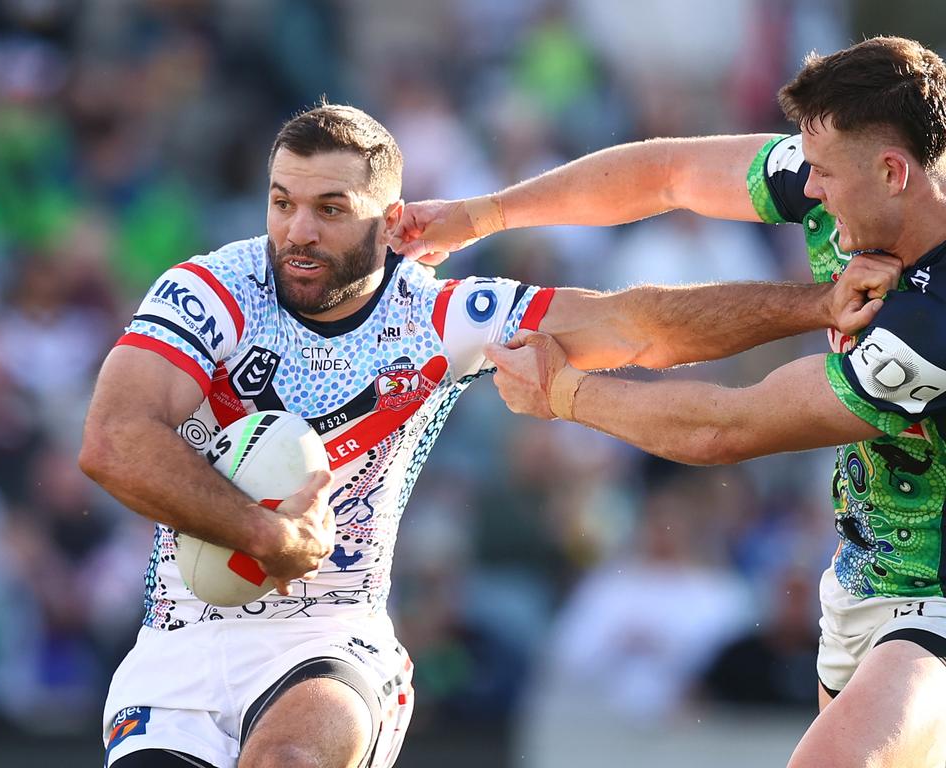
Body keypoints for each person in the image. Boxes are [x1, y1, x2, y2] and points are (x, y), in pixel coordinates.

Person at [79, 103, 892, 768]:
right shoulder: (212, 291)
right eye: (282, 201)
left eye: (330, 209)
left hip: (327, 640)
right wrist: (267, 535)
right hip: (179, 640)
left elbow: (634, 326)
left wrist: (814, 305)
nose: (297, 231)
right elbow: (113, 441)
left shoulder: (437, 317)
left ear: (390, 219)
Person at [392, 36, 946, 768]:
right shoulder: (851, 187)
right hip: (862, 582)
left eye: (824, 175)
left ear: (892, 171)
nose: (807, 188)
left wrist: (566, 393)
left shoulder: (932, 324)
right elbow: (668, 173)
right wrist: (484, 215)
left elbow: (729, 429)